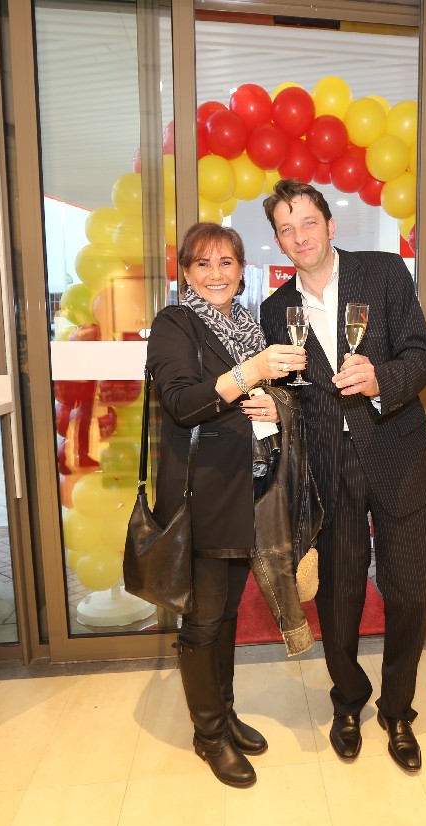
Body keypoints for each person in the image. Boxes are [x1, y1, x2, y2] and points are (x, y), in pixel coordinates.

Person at [259, 179, 426, 772]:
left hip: (397, 455)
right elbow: (289, 393)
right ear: (279, 241)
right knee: (340, 596)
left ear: (330, 226)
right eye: (286, 229)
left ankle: (398, 708)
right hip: (327, 467)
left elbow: (422, 356)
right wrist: (272, 405)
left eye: (308, 222)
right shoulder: (275, 309)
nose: (300, 237)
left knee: (408, 591)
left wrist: (382, 378)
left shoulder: (383, 273)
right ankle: (348, 699)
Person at [145, 221, 307, 788]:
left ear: (241, 270)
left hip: (247, 489)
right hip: (202, 494)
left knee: (228, 613)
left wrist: (274, 404)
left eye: (226, 262)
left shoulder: (245, 323)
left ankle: (225, 712)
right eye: (203, 263)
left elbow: (266, 397)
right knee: (203, 618)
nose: (215, 274)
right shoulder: (174, 323)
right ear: (186, 273)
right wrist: (251, 372)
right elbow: (183, 403)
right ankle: (208, 734)